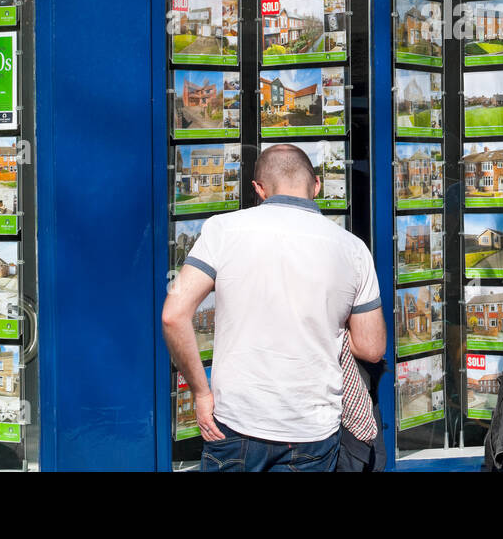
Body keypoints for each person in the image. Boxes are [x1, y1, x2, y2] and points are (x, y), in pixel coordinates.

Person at [161, 143, 386, 472]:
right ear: (317, 186)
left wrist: (201, 393)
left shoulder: (221, 230)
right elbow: (371, 347)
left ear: (258, 189)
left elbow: (173, 315)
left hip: (234, 421)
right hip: (312, 429)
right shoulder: (353, 249)